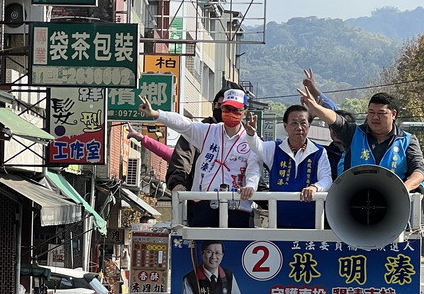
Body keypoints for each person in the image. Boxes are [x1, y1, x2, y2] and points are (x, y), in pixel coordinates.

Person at [141, 89, 261, 228]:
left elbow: (254, 168)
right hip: (204, 202)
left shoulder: (251, 140)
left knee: (233, 248)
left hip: (237, 205)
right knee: (204, 248)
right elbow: (184, 124)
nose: (230, 113)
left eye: (236, 109)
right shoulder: (209, 131)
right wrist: (156, 114)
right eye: (226, 108)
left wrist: (250, 186)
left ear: (245, 112)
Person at [300, 75, 424, 191]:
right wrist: (316, 108)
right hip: (354, 201)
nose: (375, 117)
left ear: (393, 114)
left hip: (392, 206)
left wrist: (402, 190)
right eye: (371, 112)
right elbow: (335, 119)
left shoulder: (407, 140)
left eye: (381, 113)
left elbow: (419, 171)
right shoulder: (353, 133)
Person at [243, 104, 333, 228]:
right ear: (285, 126)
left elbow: (327, 179)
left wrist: (315, 187)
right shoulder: (274, 148)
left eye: (303, 123)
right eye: (294, 123)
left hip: (311, 223)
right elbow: (257, 147)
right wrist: (251, 135)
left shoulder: (319, 151)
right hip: (278, 222)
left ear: (309, 126)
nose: (299, 128)